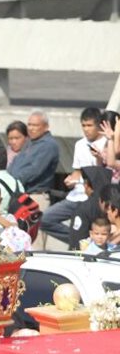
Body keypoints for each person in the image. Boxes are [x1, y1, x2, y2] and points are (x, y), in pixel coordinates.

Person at [38, 107, 107, 249]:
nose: (86, 129)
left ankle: (82, 241)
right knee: (46, 219)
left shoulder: (107, 144)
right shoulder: (80, 145)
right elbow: (77, 172)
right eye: (83, 125)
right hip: (75, 196)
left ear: (99, 125)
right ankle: (80, 240)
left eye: (89, 125)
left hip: (94, 199)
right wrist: (70, 180)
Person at [7, 111, 59, 212]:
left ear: (46, 126)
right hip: (21, 195)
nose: (31, 128)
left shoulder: (48, 145)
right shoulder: (30, 142)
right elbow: (15, 163)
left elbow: (34, 171)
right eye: (29, 124)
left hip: (36, 196)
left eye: (35, 125)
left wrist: (11, 181)